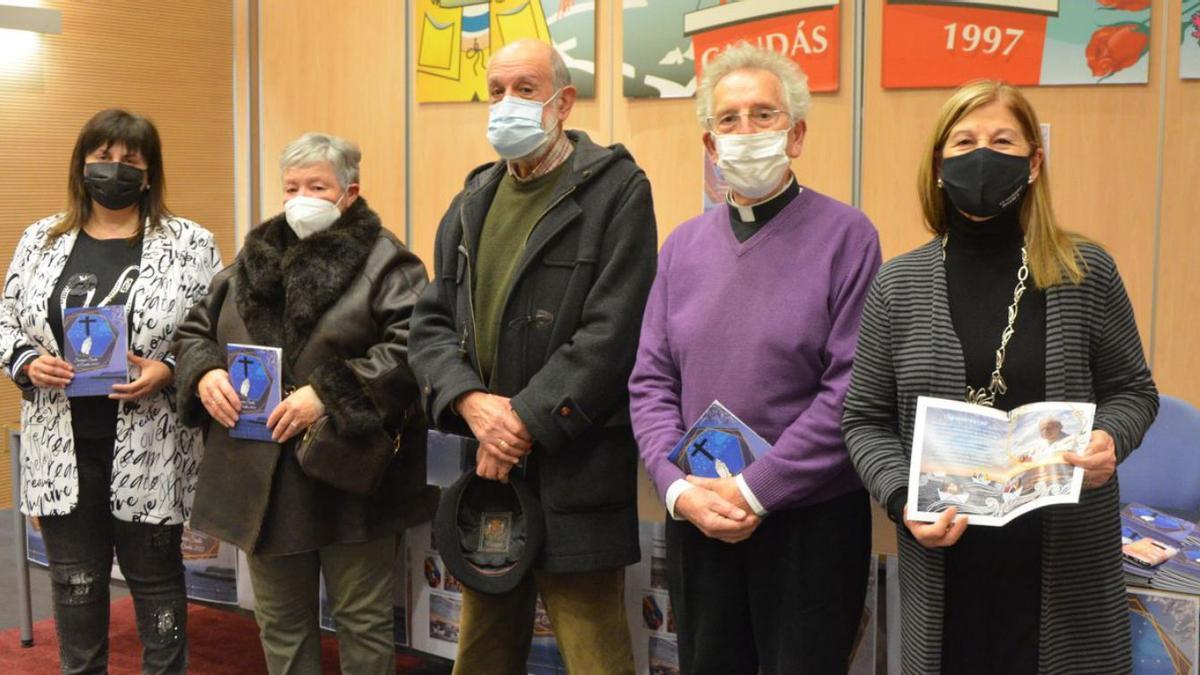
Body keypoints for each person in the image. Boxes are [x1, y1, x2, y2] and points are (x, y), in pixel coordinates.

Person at [842, 80, 1158, 674]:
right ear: (939, 165)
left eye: (1002, 140)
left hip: (1064, 562)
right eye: (963, 141)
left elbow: (1132, 391)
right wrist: (902, 497)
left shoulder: (1084, 269)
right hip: (947, 560)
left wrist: (1111, 438)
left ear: (1034, 162)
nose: (981, 155)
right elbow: (863, 421)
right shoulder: (899, 285)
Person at [629, 44, 881, 674]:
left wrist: (752, 489)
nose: (745, 132)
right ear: (710, 146)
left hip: (809, 524)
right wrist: (679, 489)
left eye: (763, 115)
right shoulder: (682, 247)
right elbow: (651, 382)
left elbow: (849, 392)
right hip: (700, 519)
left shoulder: (848, 237)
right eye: (729, 120)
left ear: (795, 135)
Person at [409, 38, 657, 675]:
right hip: (488, 474)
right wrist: (470, 404)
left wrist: (517, 422)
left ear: (563, 102)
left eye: (524, 89)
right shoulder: (472, 201)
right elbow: (432, 322)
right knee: (482, 650)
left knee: (595, 650)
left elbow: (613, 332)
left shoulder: (617, 192)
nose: (506, 105)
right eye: (495, 91)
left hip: (576, 464)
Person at [173, 133, 435, 675]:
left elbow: (414, 346)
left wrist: (329, 392)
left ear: (349, 192)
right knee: (281, 623)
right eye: (291, 186)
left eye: (317, 186)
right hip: (260, 476)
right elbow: (195, 330)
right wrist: (205, 373)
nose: (301, 197)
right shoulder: (253, 258)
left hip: (347, 472)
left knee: (362, 623)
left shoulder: (389, 262)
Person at [0, 108, 222, 674]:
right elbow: (4, 319)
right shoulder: (39, 240)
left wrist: (170, 367)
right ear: (82, 166)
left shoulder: (191, 243)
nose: (114, 170)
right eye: (103, 158)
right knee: (75, 584)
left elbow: (218, 328)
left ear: (149, 175)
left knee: (157, 586)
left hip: (153, 445)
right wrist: (27, 360)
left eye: (130, 161)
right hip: (62, 445)